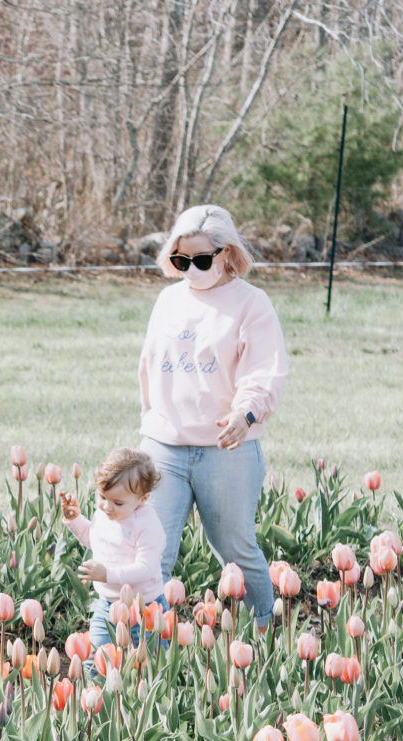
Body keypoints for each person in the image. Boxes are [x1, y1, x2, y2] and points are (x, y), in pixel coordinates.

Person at [138, 204, 288, 629]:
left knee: (236, 550)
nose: (191, 269)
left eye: (202, 260)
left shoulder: (250, 304)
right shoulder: (167, 301)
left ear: (226, 252)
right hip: (164, 446)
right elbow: (148, 367)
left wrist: (247, 413)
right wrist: (150, 427)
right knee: (152, 554)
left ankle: (264, 631)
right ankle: (148, 646)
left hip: (228, 448)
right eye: (181, 260)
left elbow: (265, 369)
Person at [60, 446, 167, 656]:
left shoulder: (146, 525)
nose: (107, 506)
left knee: (152, 663)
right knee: (98, 658)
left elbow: (146, 568)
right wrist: (74, 520)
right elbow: (95, 540)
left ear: (142, 499)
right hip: (107, 606)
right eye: (102, 496)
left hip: (145, 608)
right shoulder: (105, 515)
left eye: (117, 502)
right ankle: (98, 687)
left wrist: (107, 574)